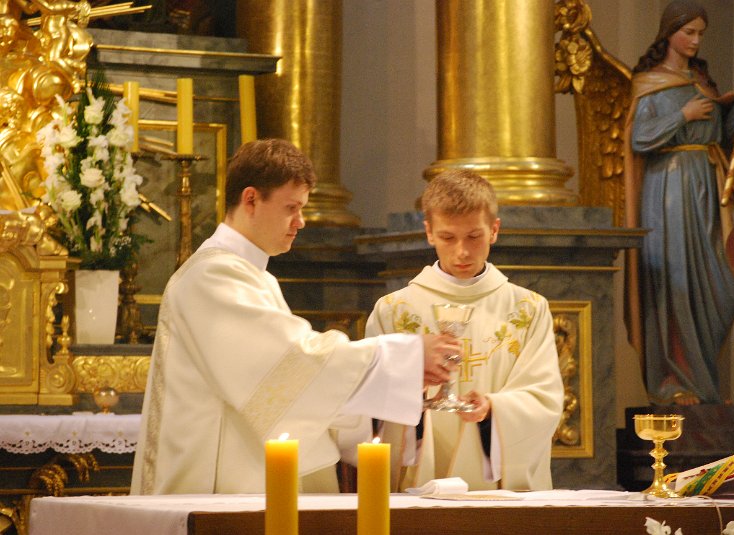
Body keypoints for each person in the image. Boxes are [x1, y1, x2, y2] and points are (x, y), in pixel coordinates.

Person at [130, 139, 459, 495]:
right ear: (251, 199)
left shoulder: (250, 276)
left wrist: (397, 379)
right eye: (291, 208)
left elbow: (291, 388)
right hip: (211, 490)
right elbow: (291, 362)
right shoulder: (212, 276)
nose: (300, 222)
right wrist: (405, 358)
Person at [365, 169, 564, 491]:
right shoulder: (394, 311)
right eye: (448, 237)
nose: (462, 251)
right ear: (429, 232)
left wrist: (493, 410)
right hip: (418, 484)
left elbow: (543, 399)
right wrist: (410, 391)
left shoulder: (528, 309)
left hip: (497, 491)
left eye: (474, 236)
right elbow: (367, 405)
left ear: (494, 230)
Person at [624, 0, 734, 406]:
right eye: (689, 32)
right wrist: (682, 115)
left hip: (705, 190)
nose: (696, 40)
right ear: (669, 33)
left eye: (701, 33)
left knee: (722, 291)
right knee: (677, 283)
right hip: (667, 191)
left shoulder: (702, 82)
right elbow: (639, 138)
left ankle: (705, 385)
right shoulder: (649, 83)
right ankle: (674, 382)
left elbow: (724, 136)